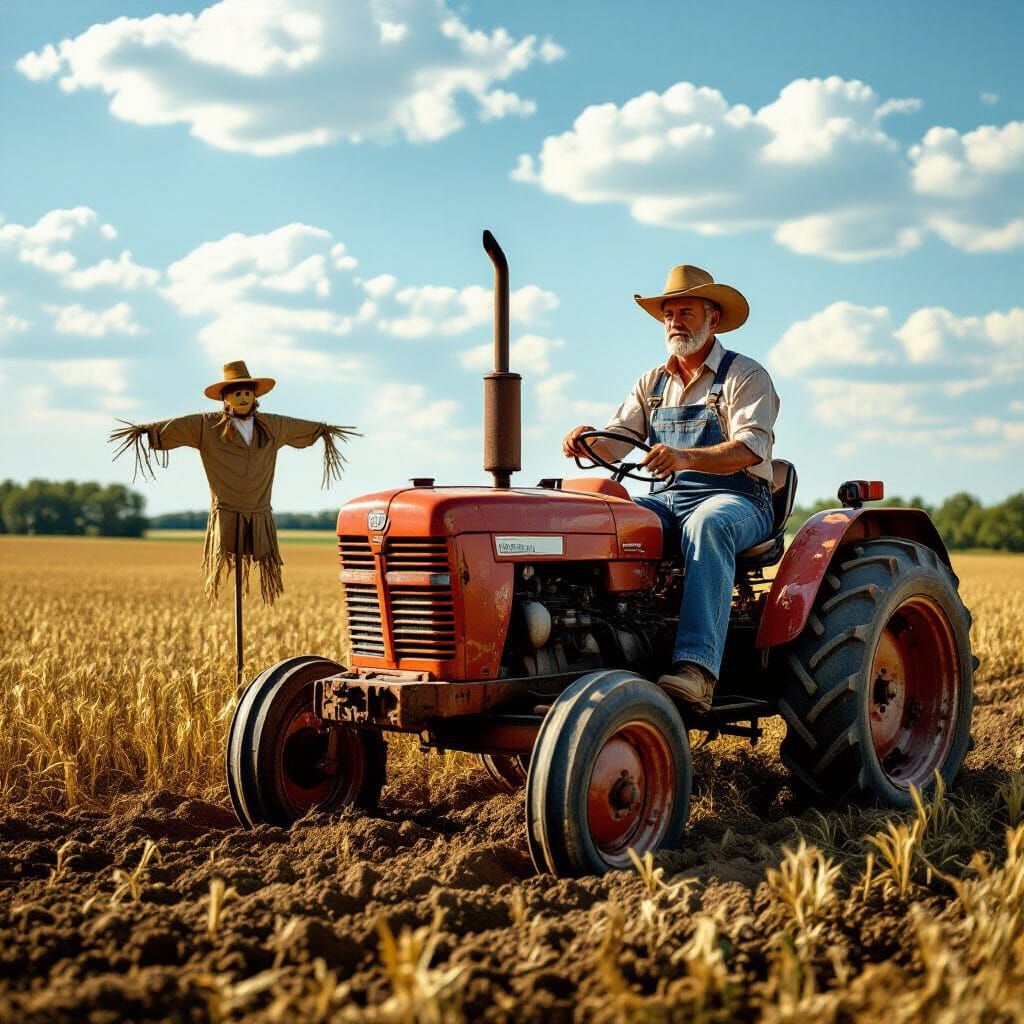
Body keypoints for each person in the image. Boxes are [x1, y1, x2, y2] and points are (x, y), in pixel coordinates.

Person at [563, 265, 780, 709]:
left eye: (686, 311)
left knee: (707, 525)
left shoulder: (745, 376)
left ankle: (696, 670)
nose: (675, 322)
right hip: (666, 500)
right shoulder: (652, 384)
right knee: (610, 520)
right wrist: (586, 443)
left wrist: (683, 457)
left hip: (737, 499)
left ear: (712, 320)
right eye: (668, 314)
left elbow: (751, 448)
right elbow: (616, 440)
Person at [110, 361, 356, 604]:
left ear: (255, 397)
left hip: (260, 513)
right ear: (225, 398)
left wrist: (323, 430)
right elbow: (177, 426)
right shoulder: (207, 426)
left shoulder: (272, 426)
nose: (243, 398)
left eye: (248, 393)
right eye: (237, 393)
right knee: (226, 558)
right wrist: (146, 430)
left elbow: (299, 426)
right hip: (226, 512)